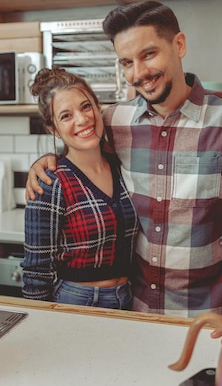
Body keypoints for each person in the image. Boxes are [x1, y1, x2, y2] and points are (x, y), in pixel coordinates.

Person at [27, 1, 222, 320]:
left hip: (211, 313)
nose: (139, 73)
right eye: (127, 62)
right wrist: (48, 160)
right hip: (137, 313)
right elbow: (80, 146)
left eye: (148, 54)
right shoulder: (115, 121)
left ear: (179, 45)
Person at [20, 67, 139, 310]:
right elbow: (36, 272)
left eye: (86, 106)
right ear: (54, 129)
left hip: (130, 299)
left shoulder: (123, 167)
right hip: (78, 303)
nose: (82, 120)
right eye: (66, 116)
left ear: (98, 107)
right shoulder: (50, 182)